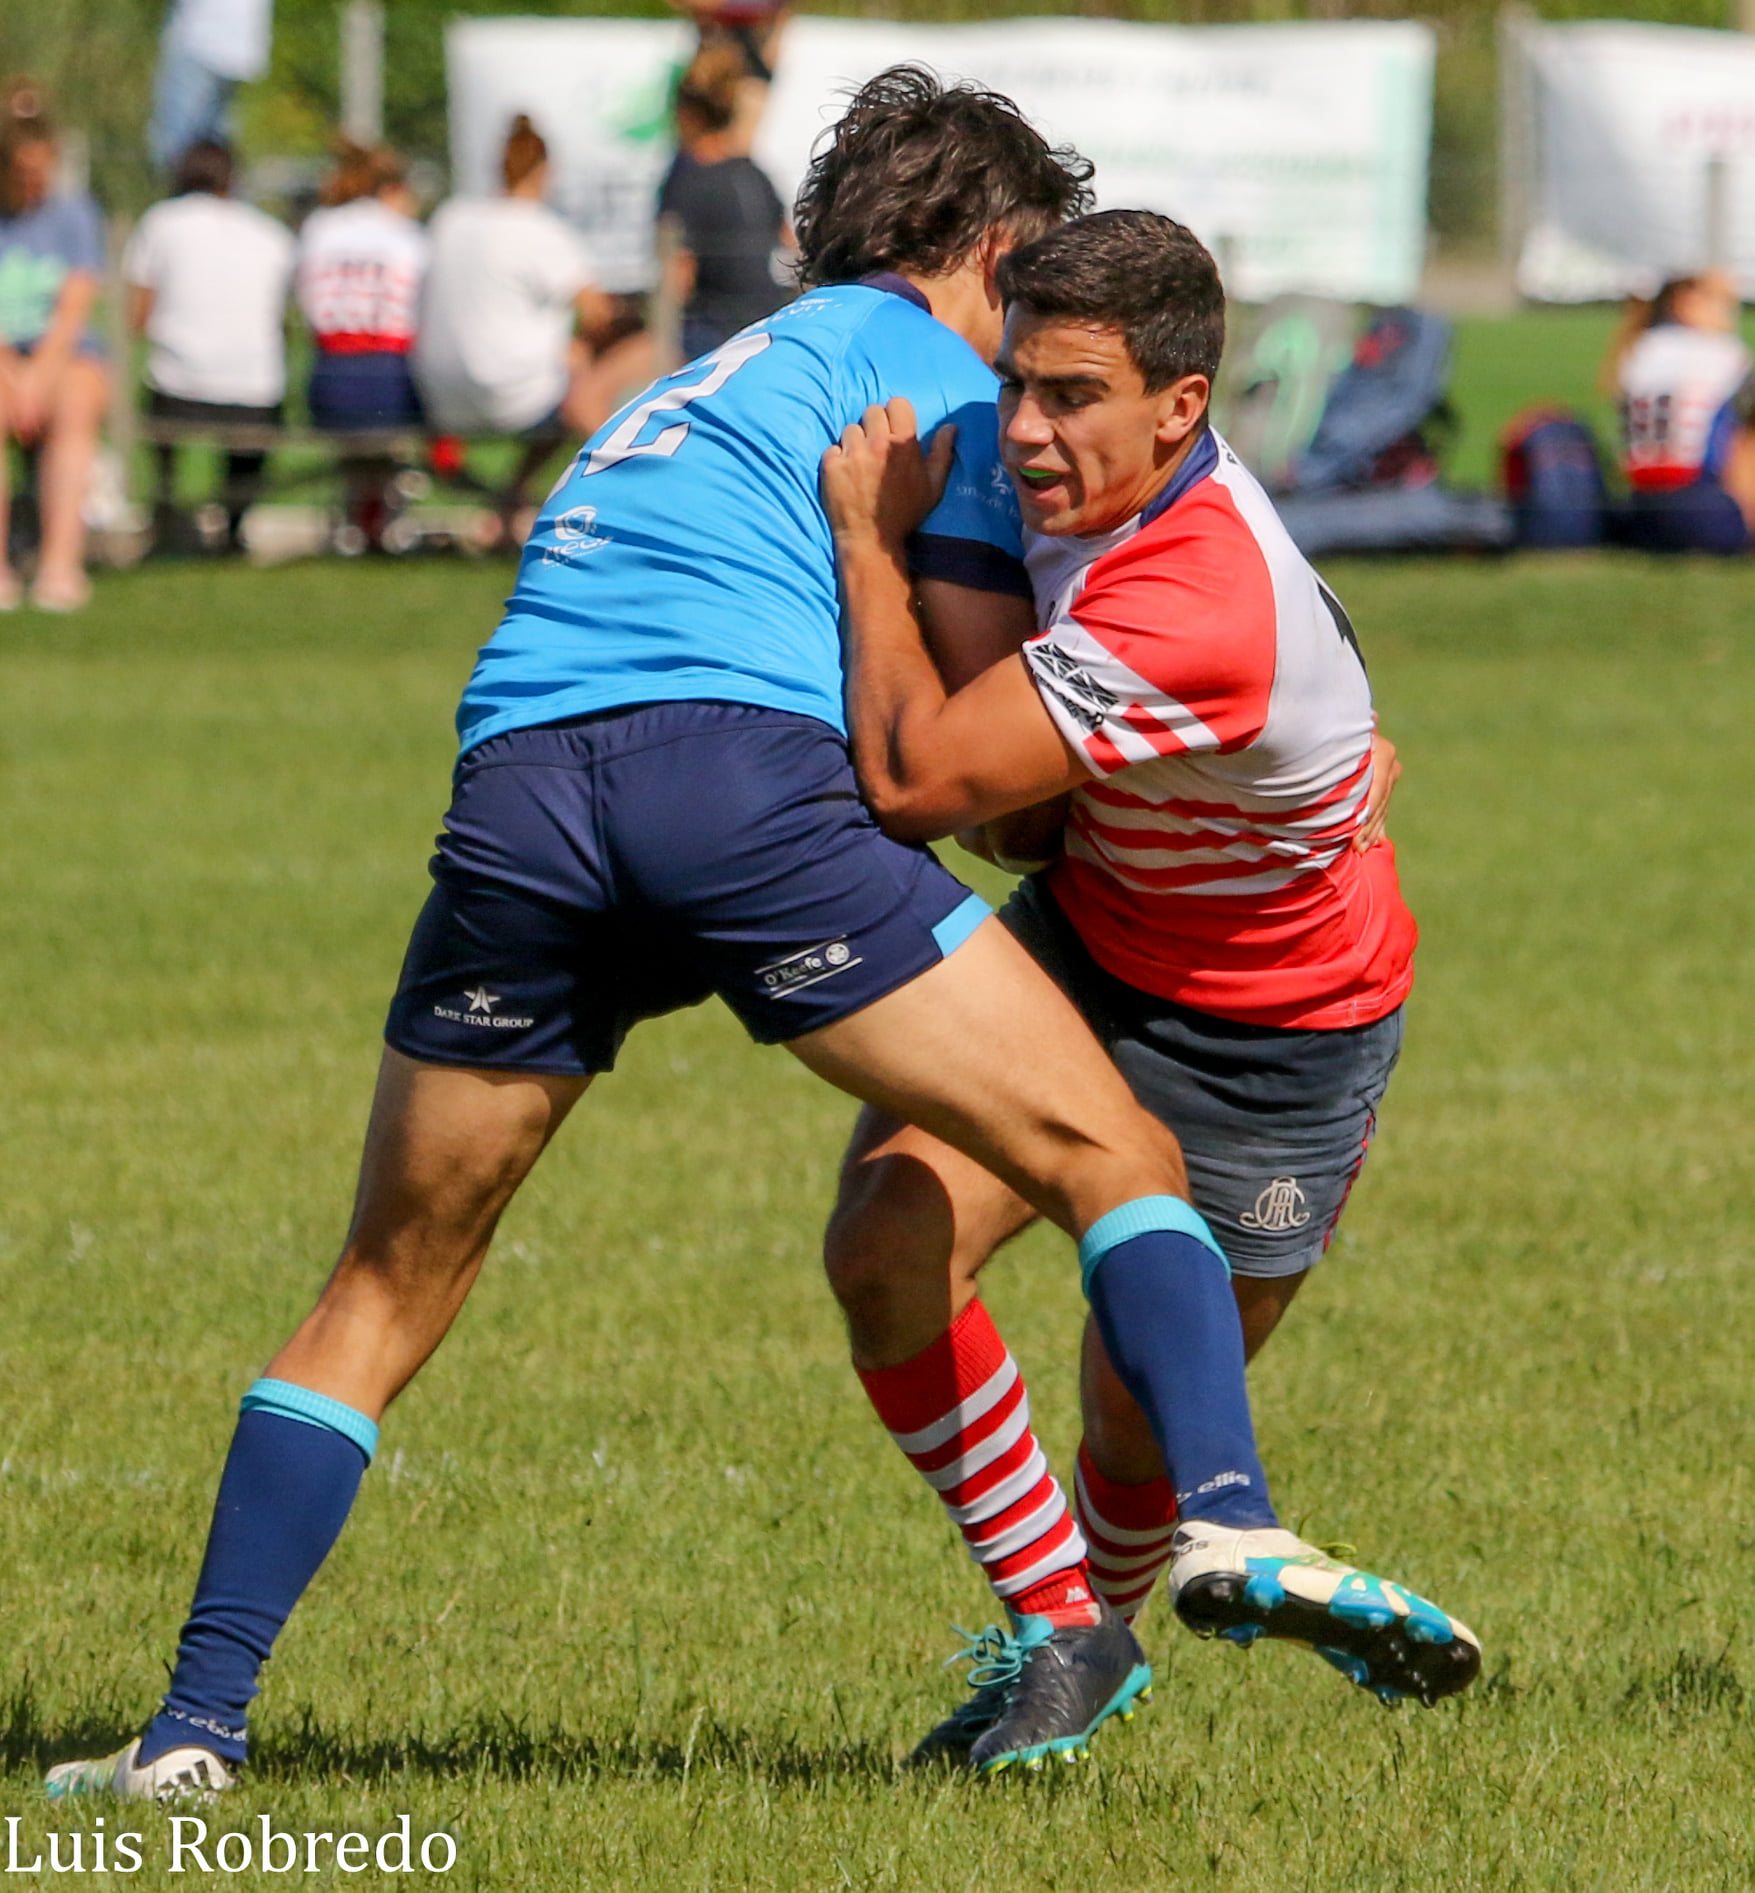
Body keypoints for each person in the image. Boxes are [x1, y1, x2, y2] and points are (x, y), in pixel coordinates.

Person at [42, 70, 1443, 1807]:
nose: (1026, 398)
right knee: (1112, 1148)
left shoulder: (682, 384)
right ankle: (1223, 1529)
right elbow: (972, 778)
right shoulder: (945, 396)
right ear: (996, 254)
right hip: (737, 779)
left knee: (385, 1284)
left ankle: (191, 1727)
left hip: (516, 786)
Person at [817, 208, 1479, 1767]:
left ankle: (1098, 1651)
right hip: (1087, 944)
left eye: (1069, 398)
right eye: (1017, 383)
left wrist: (865, 542)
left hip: (1282, 1024)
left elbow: (921, 782)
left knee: (1132, 1418)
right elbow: (1015, 817)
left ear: (1180, 405)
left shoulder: (1196, 597)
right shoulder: (1024, 451)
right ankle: (1071, 1626)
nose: (1023, 432)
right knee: (884, 1241)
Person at [415, 114, 651, 543]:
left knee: (563, 367)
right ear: (545, 172)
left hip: (438, 394)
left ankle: (509, 498)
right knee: (601, 369)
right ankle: (625, 493)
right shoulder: (542, 230)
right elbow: (599, 313)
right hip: (509, 395)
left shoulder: (452, 218)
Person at [125, 138, 295, 554]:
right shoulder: (270, 233)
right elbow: (281, 320)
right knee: (252, 407)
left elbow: (138, 317)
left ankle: (165, 514)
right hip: (255, 392)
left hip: (177, 388)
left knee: (160, 396)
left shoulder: (160, 222)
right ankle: (233, 527)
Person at [0, 82, 109, 612]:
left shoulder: (73, 215)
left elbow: (73, 309)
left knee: (73, 404)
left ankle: (59, 566)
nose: (34, 182)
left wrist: (37, 377)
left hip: (61, 357)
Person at [297, 140, 429, 550]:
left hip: (329, 377)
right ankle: (379, 514)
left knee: (358, 431)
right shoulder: (407, 236)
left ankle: (362, 514)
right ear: (392, 188)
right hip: (390, 375)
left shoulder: (318, 228)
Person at [658, 44, 791, 361]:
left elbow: (676, 283)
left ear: (687, 114)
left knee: (591, 393)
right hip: (771, 328)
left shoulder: (686, 181)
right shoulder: (755, 173)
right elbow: (790, 248)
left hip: (712, 337)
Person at [1609, 270, 1755, 555]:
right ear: (1685, 302)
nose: (1731, 314)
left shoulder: (1640, 350)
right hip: (1705, 509)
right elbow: (1739, 450)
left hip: (1641, 512)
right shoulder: (1725, 355)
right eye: (1723, 302)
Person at [148, 0, 273, 174]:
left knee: (178, 147)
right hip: (239, 46)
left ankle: (183, 194)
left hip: (199, 41)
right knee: (217, 149)